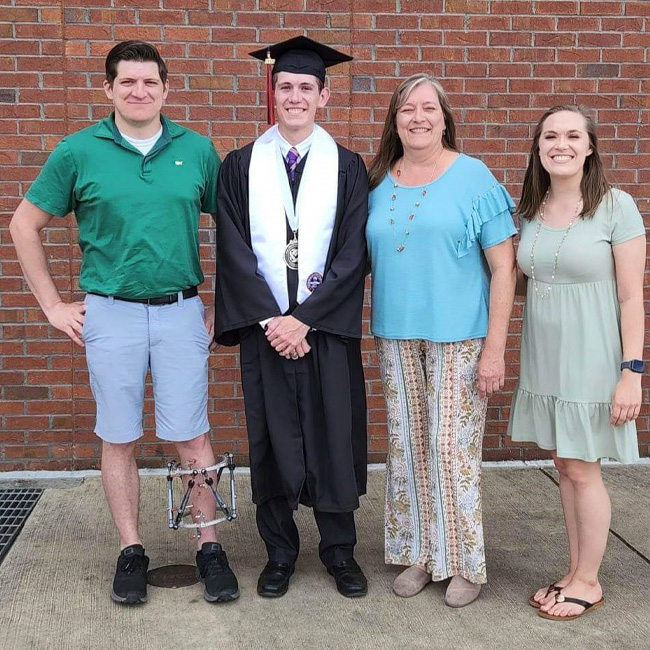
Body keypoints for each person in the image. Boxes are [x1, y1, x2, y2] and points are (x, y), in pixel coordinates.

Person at [9, 41, 239, 606]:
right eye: (127, 83)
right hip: (108, 312)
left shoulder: (197, 150)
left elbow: (236, 232)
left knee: (192, 435)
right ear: (108, 89)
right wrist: (52, 306)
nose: (139, 92)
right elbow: (23, 224)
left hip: (181, 310)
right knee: (119, 436)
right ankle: (132, 549)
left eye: (150, 83)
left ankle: (208, 546)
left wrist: (223, 304)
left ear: (167, 88)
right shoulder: (78, 151)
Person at [214, 36, 369, 599]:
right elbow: (231, 249)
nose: (296, 96)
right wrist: (272, 321)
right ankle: (279, 553)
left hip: (323, 331)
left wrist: (305, 319)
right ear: (273, 93)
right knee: (272, 438)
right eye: (286, 87)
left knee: (333, 435)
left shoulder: (349, 167)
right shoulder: (239, 166)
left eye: (307, 87)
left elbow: (354, 253)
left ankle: (338, 553)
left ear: (324, 96)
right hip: (266, 334)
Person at [366, 73, 517, 607]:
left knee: (451, 451)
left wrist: (495, 350)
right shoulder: (379, 178)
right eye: (407, 109)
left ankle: (465, 564)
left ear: (446, 117)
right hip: (396, 334)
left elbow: (504, 268)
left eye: (429, 108)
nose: (418, 117)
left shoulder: (474, 178)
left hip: (461, 337)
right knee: (408, 448)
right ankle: (420, 555)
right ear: (394, 119)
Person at [508, 105, 646, 621]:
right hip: (545, 355)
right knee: (565, 464)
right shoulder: (530, 208)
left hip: (593, 354)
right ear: (538, 147)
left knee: (585, 470)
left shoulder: (616, 206)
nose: (559, 144)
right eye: (549, 136)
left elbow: (632, 297)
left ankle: (588, 581)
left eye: (571, 135)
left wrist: (631, 371)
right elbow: (516, 278)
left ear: (590, 147)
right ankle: (573, 570)